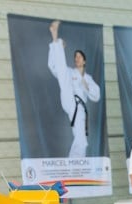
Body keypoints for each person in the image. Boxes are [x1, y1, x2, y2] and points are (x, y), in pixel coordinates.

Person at [48, 20, 101, 158]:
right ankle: (55, 38)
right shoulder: (70, 72)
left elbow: (96, 96)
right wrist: (57, 48)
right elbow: (54, 67)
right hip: (69, 99)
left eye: (79, 56)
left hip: (79, 108)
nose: (76, 58)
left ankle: (73, 164)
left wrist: (85, 85)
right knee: (62, 72)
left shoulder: (88, 78)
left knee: (81, 140)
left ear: (84, 61)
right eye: (75, 56)